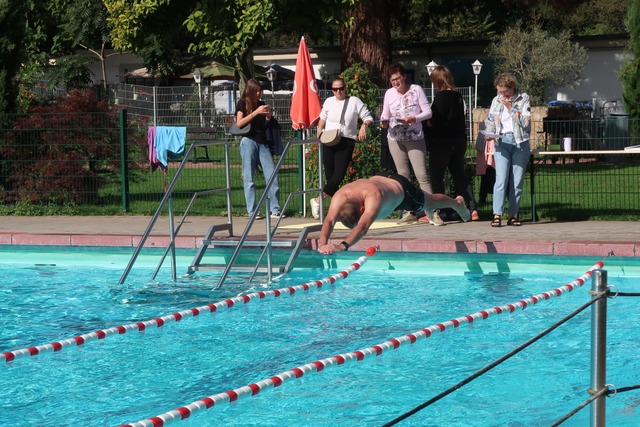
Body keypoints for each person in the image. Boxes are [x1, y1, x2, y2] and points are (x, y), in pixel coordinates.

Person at [317, 173, 470, 254]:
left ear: (362, 209)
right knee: (426, 204)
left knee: (430, 201)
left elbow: (362, 228)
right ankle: (429, 210)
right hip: (383, 180)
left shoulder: (373, 197)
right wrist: (322, 245)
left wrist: (342, 246)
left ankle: (456, 203)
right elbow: (329, 221)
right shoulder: (340, 196)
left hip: (402, 191)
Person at [380, 63, 443, 226]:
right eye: (392, 80)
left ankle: (432, 212)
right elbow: (385, 114)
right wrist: (383, 121)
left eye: (398, 78)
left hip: (415, 137)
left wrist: (414, 118)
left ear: (404, 76)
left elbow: (428, 112)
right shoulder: (389, 93)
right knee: (403, 177)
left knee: (422, 175)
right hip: (395, 138)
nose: (396, 82)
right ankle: (410, 212)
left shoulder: (416, 90)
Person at [312, 78, 374, 219]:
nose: (338, 91)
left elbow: (368, 117)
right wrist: (320, 129)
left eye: (341, 88)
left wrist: (364, 126)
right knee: (330, 176)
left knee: (338, 176)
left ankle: (318, 200)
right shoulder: (329, 102)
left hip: (346, 140)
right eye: (335, 89)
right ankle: (341, 208)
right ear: (332, 90)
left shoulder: (354, 101)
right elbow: (322, 119)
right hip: (328, 139)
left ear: (345, 88)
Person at [424, 65, 479, 221]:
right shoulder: (458, 97)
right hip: (459, 141)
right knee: (460, 176)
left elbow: (436, 120)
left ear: (438, 81)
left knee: (437, 177)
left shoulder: (441, 97)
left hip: (442, 142)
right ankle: (472, 209)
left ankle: (439, 211)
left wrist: (425, 123)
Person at [484, 73, 531, 227]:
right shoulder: (496, 100)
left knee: (517, 181)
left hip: (519, 143)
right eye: (500, 92)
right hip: (502, 142)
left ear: (512, 87)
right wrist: (489, 133)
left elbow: (525, 123)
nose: (503, 95)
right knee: (501, 179)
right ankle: (497, 214)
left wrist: (511, 108)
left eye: (505, 92)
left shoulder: (523, 98)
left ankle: (513, 215)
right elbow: (491, 120)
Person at [234, 78, 285, 219]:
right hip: (248, 141)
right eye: (256, 91)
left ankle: (275, 209)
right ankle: (252, 211)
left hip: (262, 143)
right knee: (249, 177)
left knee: (272, 175)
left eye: (259, 91)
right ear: (250, 91)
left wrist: (268, 117)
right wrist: (256, 112)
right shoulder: (242, 103)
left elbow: (267, 125)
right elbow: (239, 123)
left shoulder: (261, 104)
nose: (258, 94)